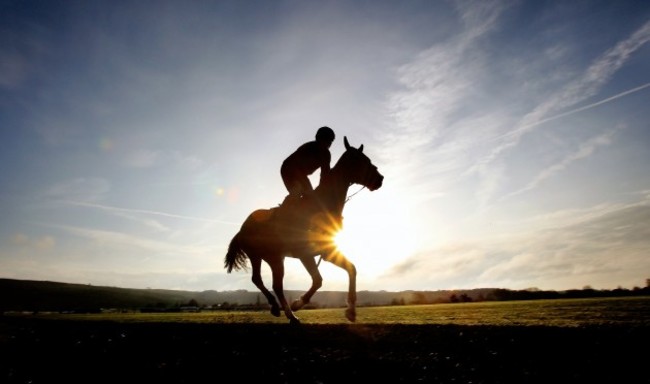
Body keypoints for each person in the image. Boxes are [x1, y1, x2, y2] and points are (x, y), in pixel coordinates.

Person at [280, 126, 335, 202]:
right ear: (318, 138)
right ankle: (283, 210)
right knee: (297, 190)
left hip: (302, 174)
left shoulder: (326, 155)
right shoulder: (308, 147)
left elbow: (325, 173)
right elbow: (295, 166)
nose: (328, 144)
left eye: (329, 142)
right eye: (325, 140)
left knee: (311, 197)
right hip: (288, 169)